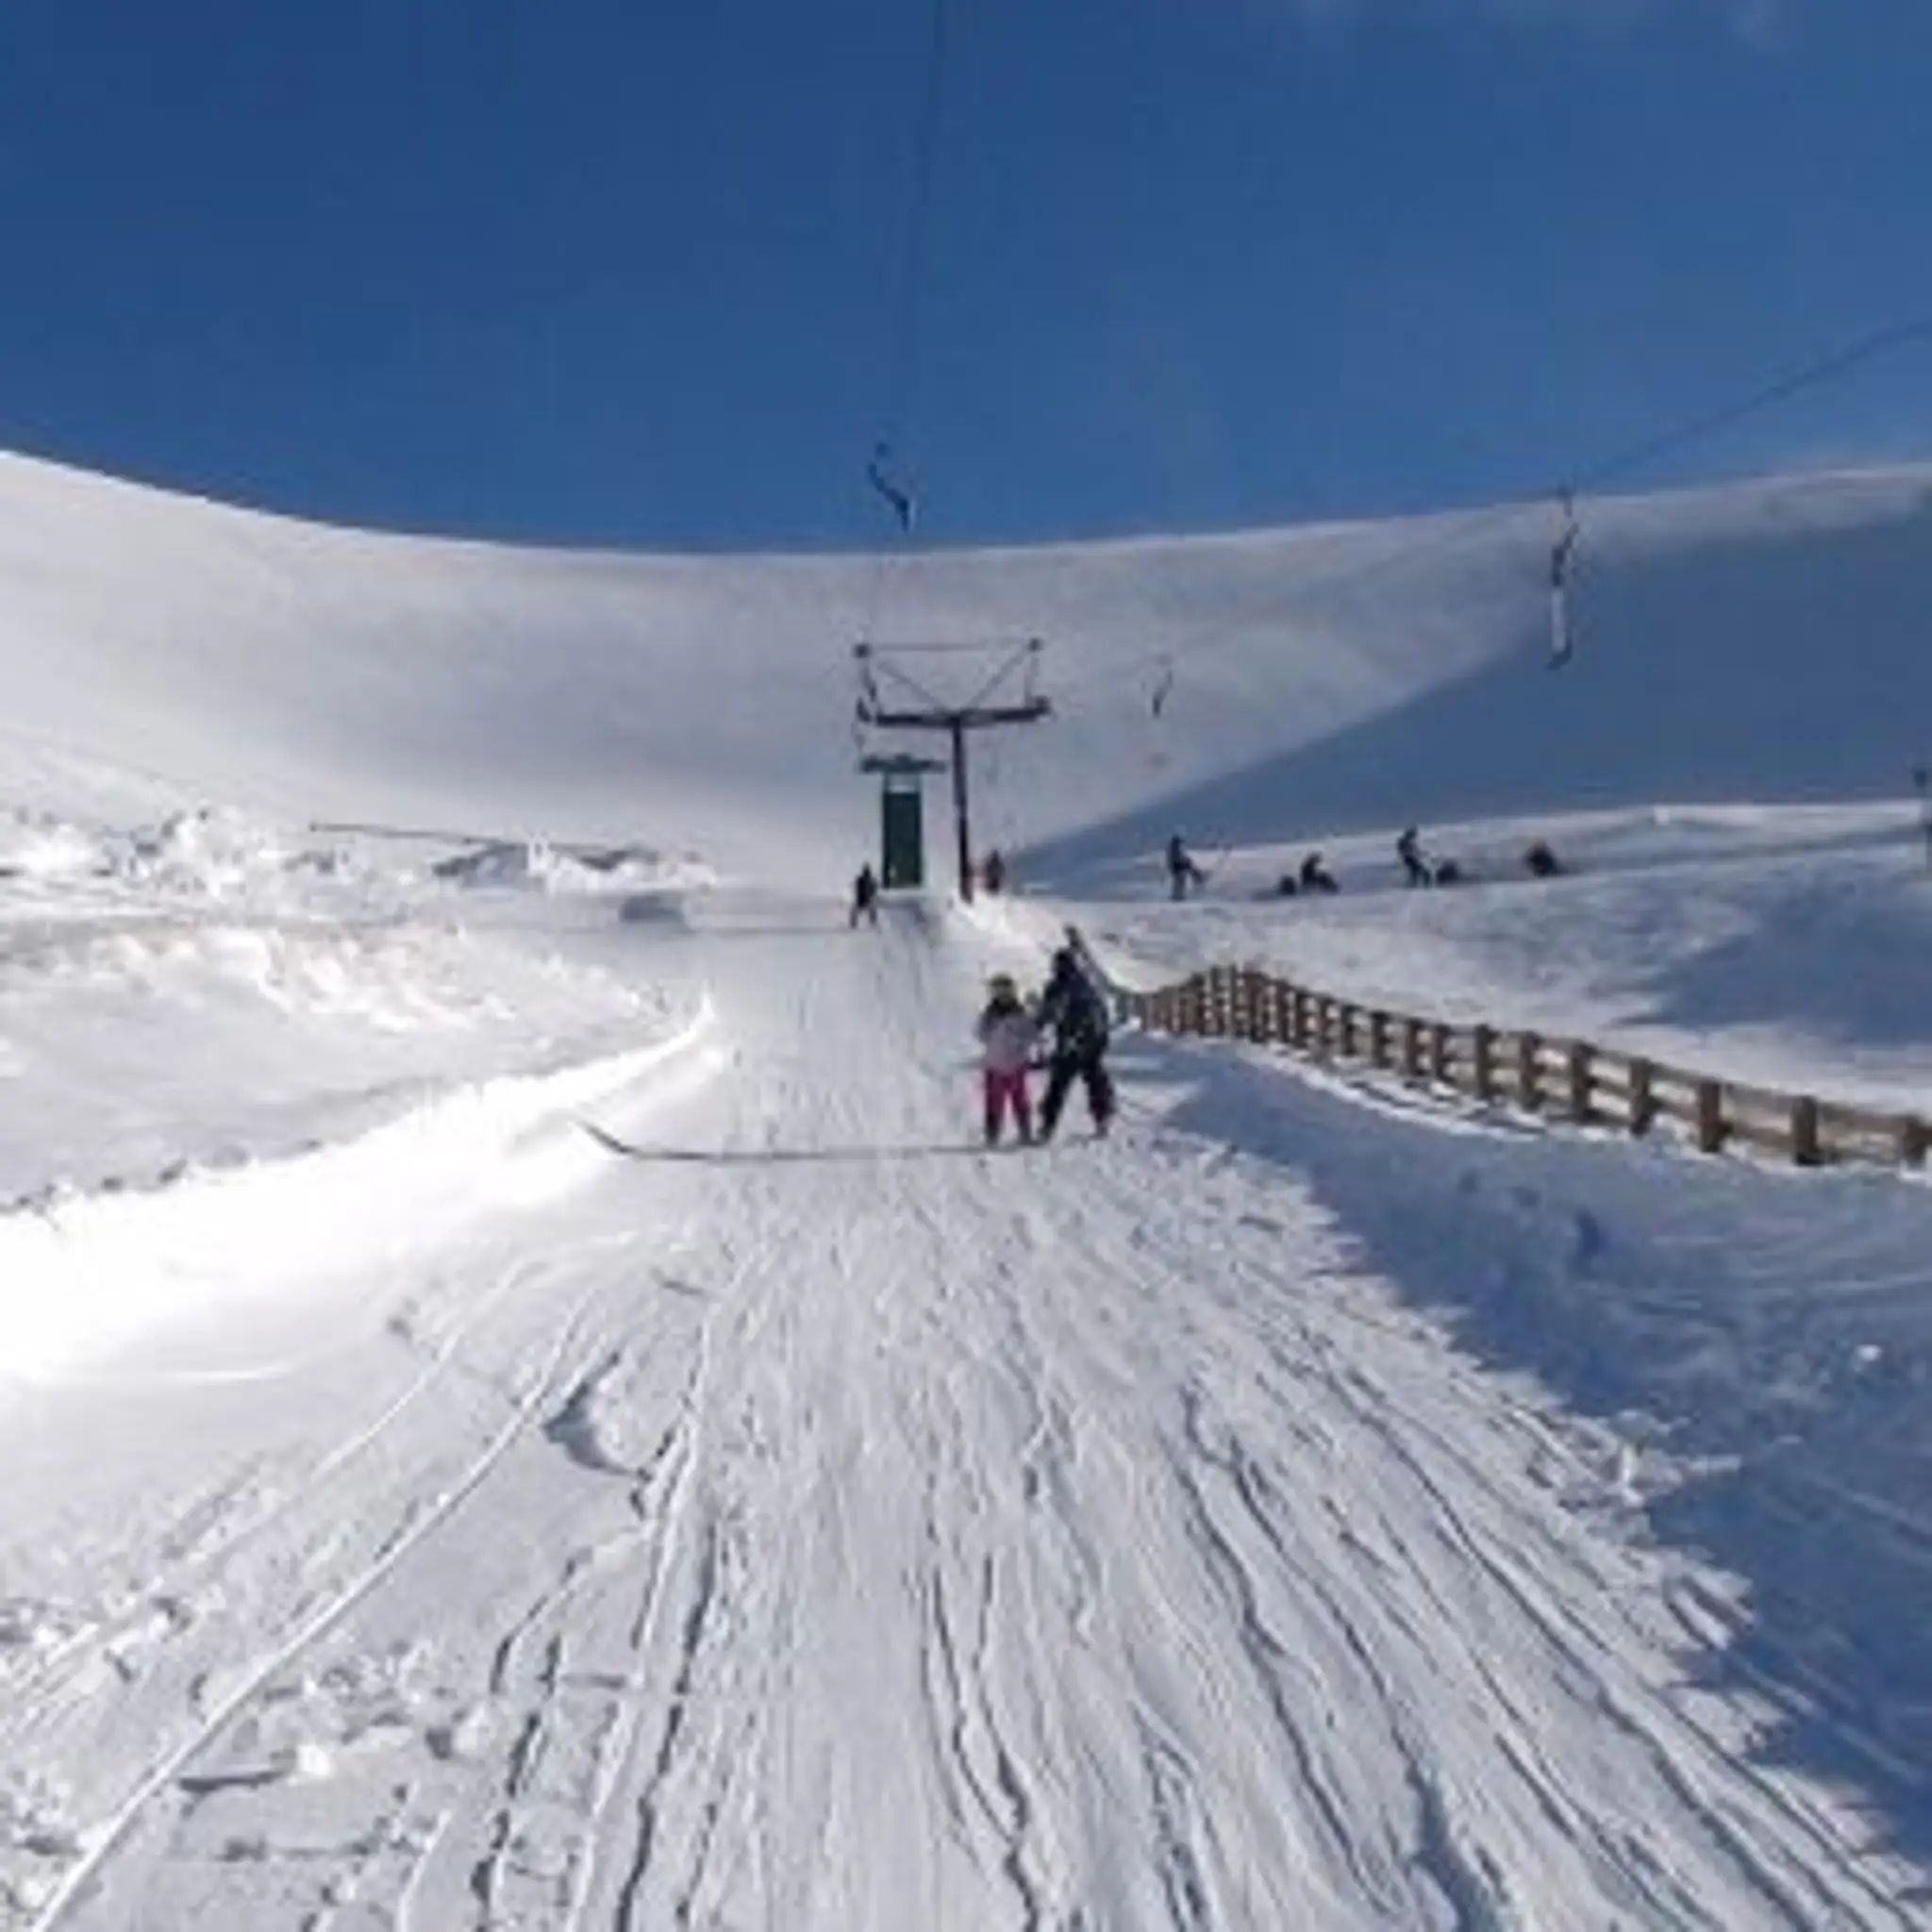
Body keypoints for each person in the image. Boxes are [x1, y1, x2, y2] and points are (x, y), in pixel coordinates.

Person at [1034, 945, 1115, 1141]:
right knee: (1096, 1081)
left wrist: (1035, 1027)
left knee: (1059, 1085)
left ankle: (1047, 1126)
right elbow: (1103, 1014)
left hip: (1069, 1043)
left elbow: (1048, 1014)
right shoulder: (1088, 985)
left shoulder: (1056, 987)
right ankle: (1102, 1118)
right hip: (1093, 1042)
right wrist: (1102, 1039)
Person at [974, 972, 1038, 1146]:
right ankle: (992, 1135)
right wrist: (994, 1032)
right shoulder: (989, 1015)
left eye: (1006, 992)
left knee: (1020, 1099)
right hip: (995, 1064)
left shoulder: (1020, 1013)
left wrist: (1020, 1041)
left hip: (1016, 1064)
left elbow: (1031, 1033)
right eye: (999, 992)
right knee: (994, 1101)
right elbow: (981, 1034)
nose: (1003, 996)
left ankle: (1025, 1132)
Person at [1166, 832, 1206, 902]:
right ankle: (1198, 878)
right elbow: (1177, 859)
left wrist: (1187, 860)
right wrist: (1186, 861)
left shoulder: (1173, 848)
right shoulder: (1174, 849)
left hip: (1176, 867)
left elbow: (1179, 858)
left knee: (1180, 881)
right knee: (1181, 880)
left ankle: (1197, 877)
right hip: (1177, 867)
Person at [1396, 825, 1430, 889]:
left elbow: (1416, 851)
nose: (1415, 837)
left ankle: (1413, 885)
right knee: (1421, 872)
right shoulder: (1406, 841)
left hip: (1410, 859)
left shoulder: (1409, 841)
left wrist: (1423, 854)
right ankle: (1416, 886)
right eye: (1414, 835)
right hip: (1409, 859)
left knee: (1416, 873)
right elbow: (1407, 851)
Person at [850, 861, 879, 928]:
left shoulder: (870, 881)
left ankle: (872, 923)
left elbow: (874, 890)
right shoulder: (861, 880)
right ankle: (853, 924)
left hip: (865, 901)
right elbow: (857, 889)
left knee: (872, 909)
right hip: (862, 901)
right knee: (854, 910)